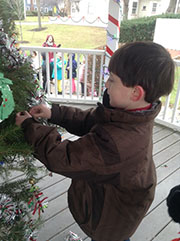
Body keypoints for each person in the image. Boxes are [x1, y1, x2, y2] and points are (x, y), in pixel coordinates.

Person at [15, 42, 175, 241]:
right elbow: (90, 120)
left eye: (112, 80)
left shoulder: (118, 143)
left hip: (112, 218)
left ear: (136, 93)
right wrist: (54, 113)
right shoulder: (132, 114)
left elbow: (64, 157)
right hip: (116, 193)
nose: (106, 84)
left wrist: (30, 126)